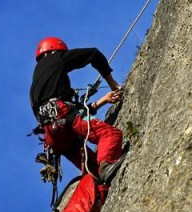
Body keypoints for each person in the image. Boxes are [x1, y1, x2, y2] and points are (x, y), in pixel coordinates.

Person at [30, 36, 123, 182]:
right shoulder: (55, 59)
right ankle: (107, 167)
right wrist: (112, 84)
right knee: (109, 134)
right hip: (62, 116)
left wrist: (103, 101)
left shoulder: (36, 86)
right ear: (56, 51)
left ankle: (97, 192)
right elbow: (93, 54)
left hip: (53, 136)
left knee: (92, 170)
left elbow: (74, 114)